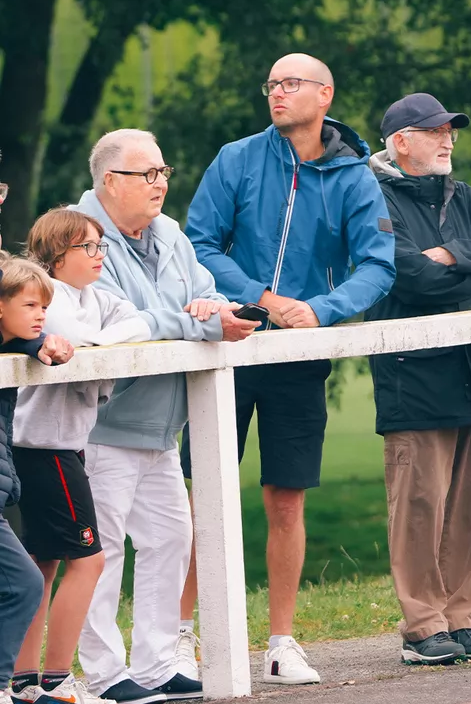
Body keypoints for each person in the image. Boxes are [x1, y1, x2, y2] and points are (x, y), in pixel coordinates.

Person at [180, 52, 396, 685]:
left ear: (324, 95)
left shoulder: (356, 176)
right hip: (226, 346)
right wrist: (261, 298)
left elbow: (377, 266)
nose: (277, 93)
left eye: (291, 83)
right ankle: (182, 637)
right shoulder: (236, 158)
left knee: (286, 499)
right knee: (199, 497)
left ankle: (280, 642)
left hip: (299, 356)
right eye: (271, 83)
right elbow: (201, 243)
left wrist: (319, 311)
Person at [71, 129, 258, 704]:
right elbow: (122, 321)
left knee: (171, 540)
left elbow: (204, 295)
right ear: (109, 182)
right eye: (146, 174)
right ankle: (103, 676)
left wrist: (211, 311)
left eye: (163, 172)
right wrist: (196, 318)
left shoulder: (171, 233)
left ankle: (154, 667)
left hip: (163, 423)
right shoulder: (79, 237)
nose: (159, 185)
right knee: (99, 552)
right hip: (101, 423)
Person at [10, 208, 151, 704]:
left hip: (59, 444)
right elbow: (66, 337)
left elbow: (136, 321)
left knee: (44, 563)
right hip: (45, 446)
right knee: (88, 560)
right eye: (85, 247)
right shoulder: (45, 296)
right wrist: (92, 340)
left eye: (100, 246)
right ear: (54, 254)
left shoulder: (94, 297)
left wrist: (101, 342)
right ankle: (54, 679)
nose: (98, 255)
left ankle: (28, 682)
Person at [367, 92, 471, 665]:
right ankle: (422, 624)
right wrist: (469, 256)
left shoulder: (468, 196)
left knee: (469, 503)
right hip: (413, 372)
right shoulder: (372, 198)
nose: (449, 138)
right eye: (435, 131)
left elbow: (436, 273)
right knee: (419, 503)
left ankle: (463, 613)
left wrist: (446, 258)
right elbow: (409, 278)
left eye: (450, 130)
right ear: (401, 142)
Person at [0, 253, 74, 704]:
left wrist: (40, 342)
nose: (40, 314)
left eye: (43, 306)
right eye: (30, 306)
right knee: (25, 581)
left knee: (23, 582)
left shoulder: (15, 347)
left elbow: (31, 342)